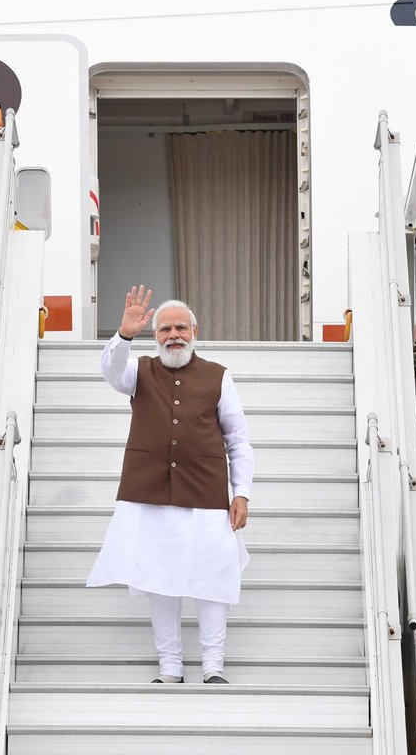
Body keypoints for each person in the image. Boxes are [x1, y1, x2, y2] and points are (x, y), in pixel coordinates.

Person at [87, 285, 253, 685]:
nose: (173, 335)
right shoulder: (138, 370)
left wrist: (242, 493)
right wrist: (124, 333)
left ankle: (213, 668)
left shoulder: (219, 376)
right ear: (154, 335)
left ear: (195, 331)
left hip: (207, 496)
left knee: (212, 580)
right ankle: (170, 669)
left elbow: (238, 439)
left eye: (180, 327)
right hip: (151, 497)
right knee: (159, 583)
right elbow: (110, 371)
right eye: (164, 329)